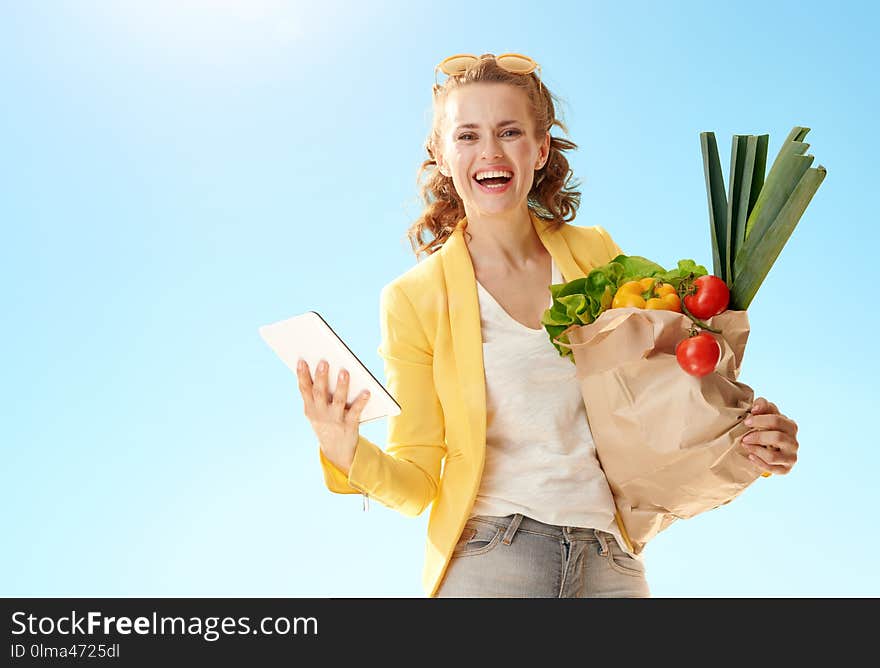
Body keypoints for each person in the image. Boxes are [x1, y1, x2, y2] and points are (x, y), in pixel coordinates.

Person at [295, 53, 800, 598]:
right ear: (441, 156)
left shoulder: (596, 255)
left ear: (539, 149)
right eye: (467, 135)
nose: (490, 151)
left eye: (509, 131)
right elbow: (418, 483)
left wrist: (744, 435)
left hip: (611, 559)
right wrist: (343, 447)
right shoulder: (414, 300)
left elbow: (662, 394)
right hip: (493, 556)